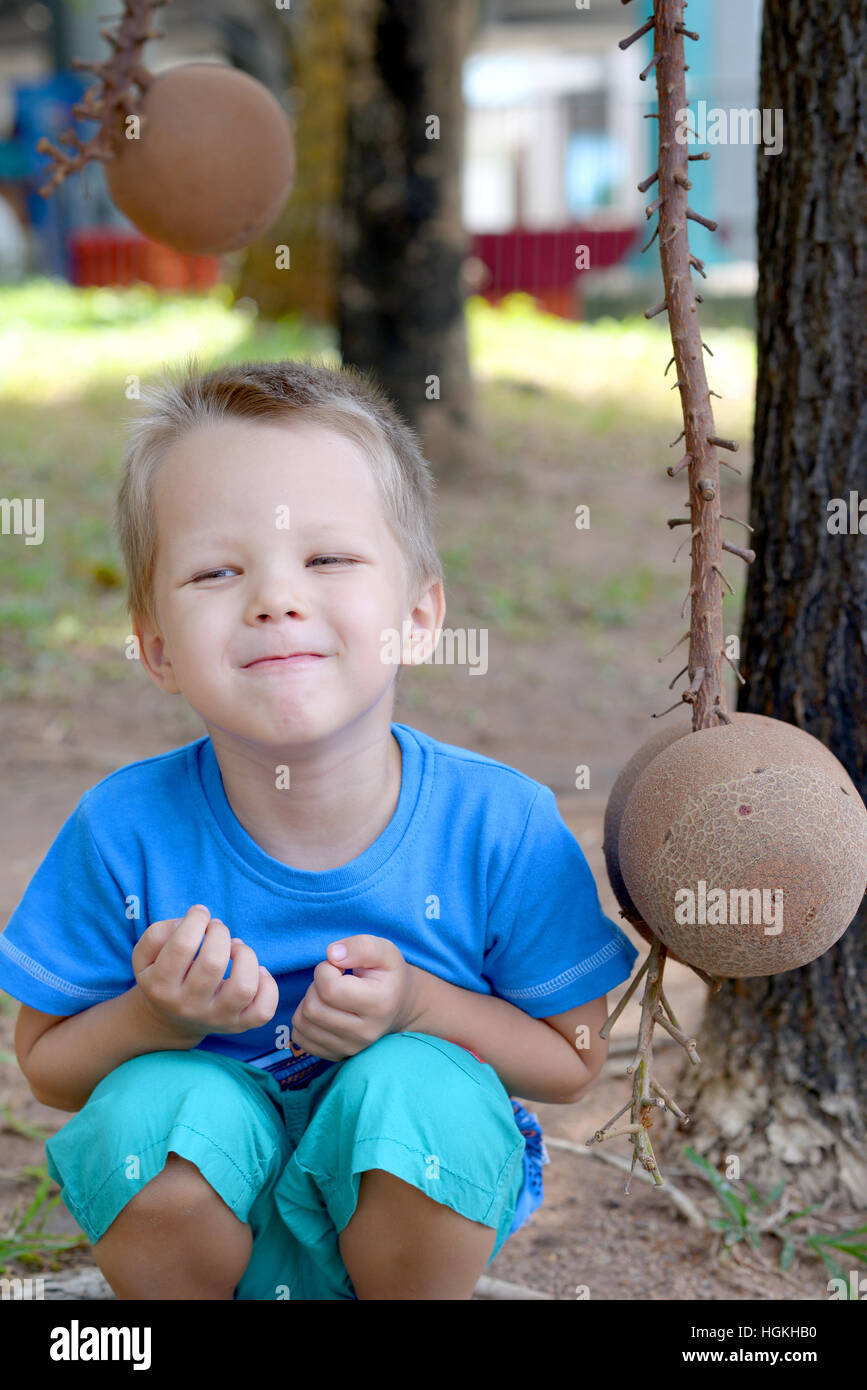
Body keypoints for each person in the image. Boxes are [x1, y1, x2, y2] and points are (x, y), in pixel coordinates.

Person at [0, 356, 638, 1300]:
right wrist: (156, 1016)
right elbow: (47, 1067)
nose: (274, 598)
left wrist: (420, 1004)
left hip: (410, 1235)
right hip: (205, 1244)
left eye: (328, 559)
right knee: (152, 1107)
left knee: (418, 1092)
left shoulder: (496, 823)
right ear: (157, 646)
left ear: (419, 615)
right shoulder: (124, 830)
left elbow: (576, 1059)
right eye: (218, 570)